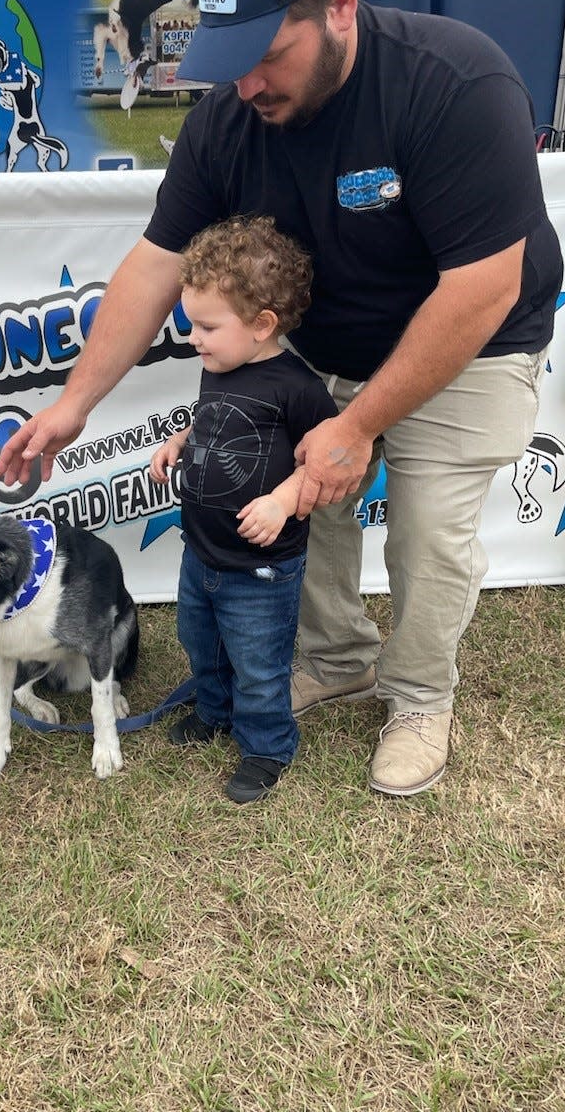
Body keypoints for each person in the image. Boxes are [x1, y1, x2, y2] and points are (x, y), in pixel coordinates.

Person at [0, 0, 563, 797]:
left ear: (339, 5)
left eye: (267, 54)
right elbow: (153, 267)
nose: (248, 84)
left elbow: (484, 284)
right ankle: (339, 658)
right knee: (304, 502)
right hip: (321, 343)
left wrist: (360, 423)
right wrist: (75, 404)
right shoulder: (228, 119)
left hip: (476, 337)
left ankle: (420, 694)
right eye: (231, 60)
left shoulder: (454, 81)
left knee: (426, 532)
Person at [147, 215, 337, 803]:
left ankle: (267, 746)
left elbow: (327, 459)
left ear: (261, 325)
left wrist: (284, 501)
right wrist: (183, 440)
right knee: (199, 640)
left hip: (261, 567)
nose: (194, 338)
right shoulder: (218, 368)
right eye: (190, 324)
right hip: (199, 552)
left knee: (259, 662)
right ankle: (213, 711)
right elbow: (218, 425)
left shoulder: (297, 387)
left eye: (206, 326)